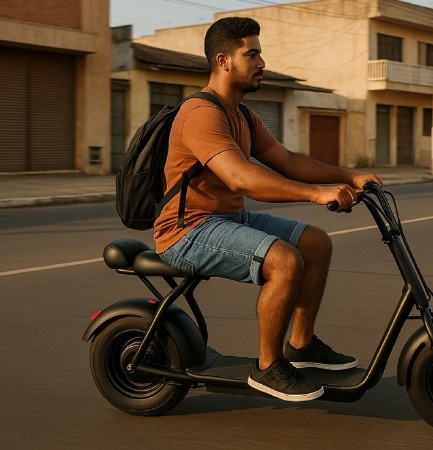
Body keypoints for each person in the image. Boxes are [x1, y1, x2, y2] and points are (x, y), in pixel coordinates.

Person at [153, 16, 382, 402]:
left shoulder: (242, 114)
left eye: (260, 53)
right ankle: (267, 367)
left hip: (226, 219)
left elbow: (287, 160)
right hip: (187, 230)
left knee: (316, 243)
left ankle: (302, 345)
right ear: (224, 61)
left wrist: (349, 176)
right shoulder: (200, 114)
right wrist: (315, 194)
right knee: (285, 262)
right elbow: (242, 178)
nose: (262, 63)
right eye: (252, 54)